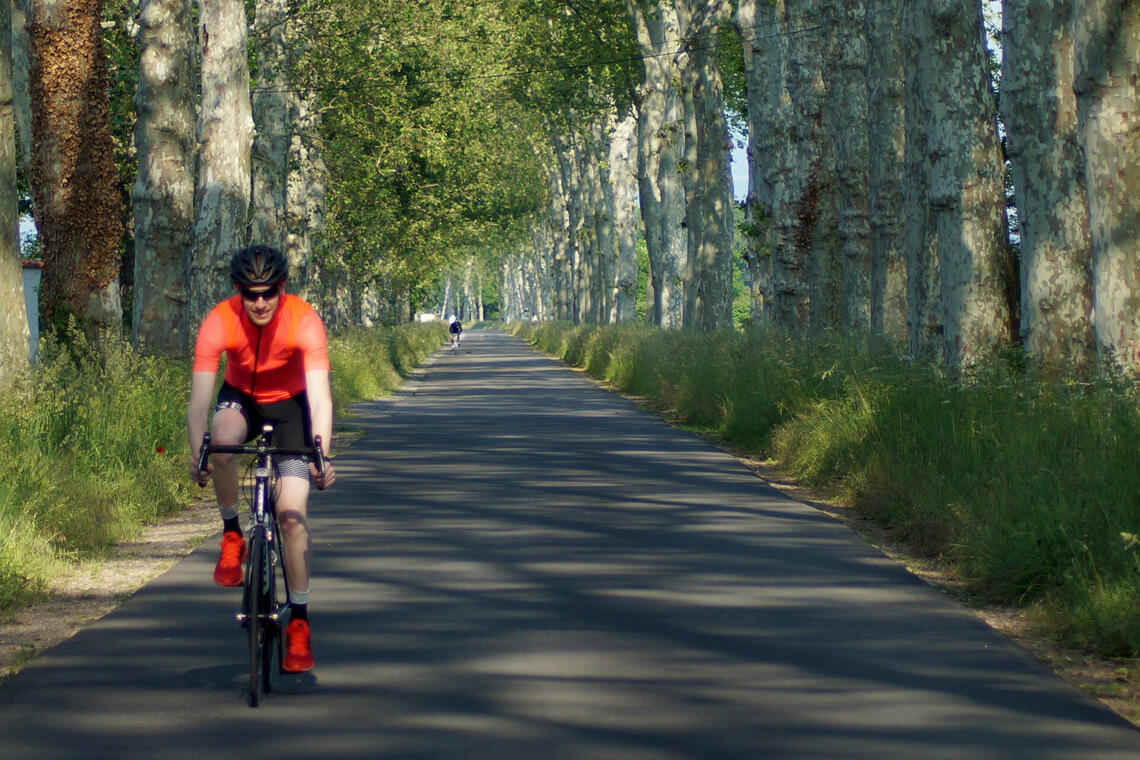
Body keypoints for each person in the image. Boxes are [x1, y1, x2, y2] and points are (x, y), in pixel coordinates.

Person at [187, 245, 336, 673]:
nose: (259, 302)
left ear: (281, 288)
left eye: (268, 292)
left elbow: (321, 399)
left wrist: (321, 454)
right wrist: (199, 452)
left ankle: (300, 624)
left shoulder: (304, 319)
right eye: (250, 293)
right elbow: (199, 403)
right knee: (223, 443)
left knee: (290, 516)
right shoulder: (219, 320)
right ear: (238, 292)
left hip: (292, 408)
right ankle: (232, 535)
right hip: (241, 399)